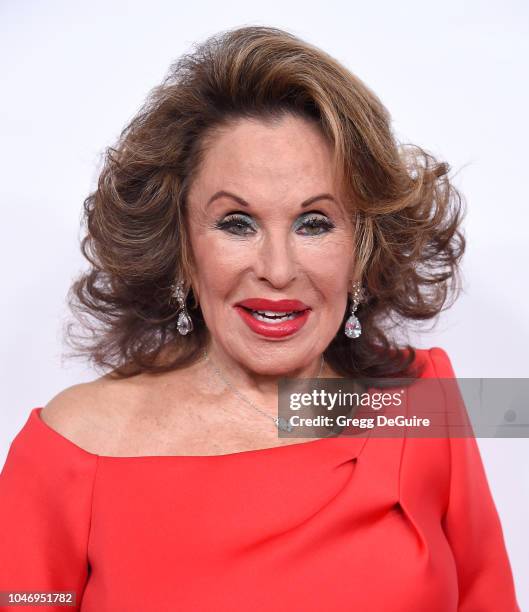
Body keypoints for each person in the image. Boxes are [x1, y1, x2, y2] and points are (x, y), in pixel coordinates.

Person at [0, 25, 520, 611]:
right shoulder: (71, 447)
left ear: (363, 246)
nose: (277, 270)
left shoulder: (423, 403)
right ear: (181, 247)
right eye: (236, 223)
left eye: (315, 223)